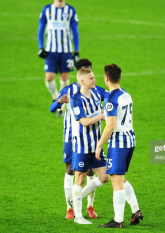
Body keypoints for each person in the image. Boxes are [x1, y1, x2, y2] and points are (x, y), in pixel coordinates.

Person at [50, 59, 109, 220]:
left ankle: (90, 206)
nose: (90, 74)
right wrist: (57, 102)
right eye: (86, 71)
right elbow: (51, 108)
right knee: (70, 170)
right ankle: (70, 208)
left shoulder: (95, 90)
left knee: (91, 172)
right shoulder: (68, 91)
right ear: (79, 75)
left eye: (90, 70)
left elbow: (109, 96)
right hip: (71, 137)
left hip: (92, 138)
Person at [96, 64, 144, 228]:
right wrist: (107, 117)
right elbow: (127, 117)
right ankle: (136, 210)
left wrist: (99, 145)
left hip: (118, 142)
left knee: (116, 181)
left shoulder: (110, 98)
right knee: (121, 177)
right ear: (120, 78)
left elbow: (110, 126)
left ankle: (118, 220)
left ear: (106, 78)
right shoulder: (126, 95)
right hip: (130, 139)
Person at [69, 68, 110, 225]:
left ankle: (76, 197)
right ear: (82, 81)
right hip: (81, 146)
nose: (95, 80)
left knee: (104, 177)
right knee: (80, 178)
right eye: (91, 78)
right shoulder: (76, 99)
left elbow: (109, 99)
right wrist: (102, 116)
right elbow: (84, 122)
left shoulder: (96, 94)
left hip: (96, 144)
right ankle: (78, 217)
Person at [38, 0, 80, 116]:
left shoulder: (71, 11)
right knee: (49, 77)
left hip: (66, 50)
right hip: (51, 51)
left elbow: (75, 31)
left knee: (64, 77)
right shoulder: (47, 9)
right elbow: (41, 29)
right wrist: (40, 47)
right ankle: (56, 97)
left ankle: (61, 107)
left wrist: (76, 51)